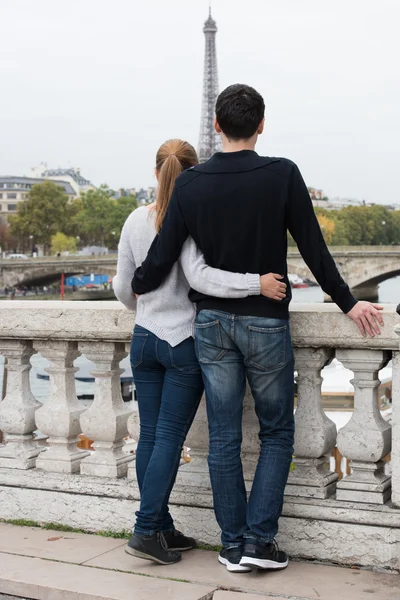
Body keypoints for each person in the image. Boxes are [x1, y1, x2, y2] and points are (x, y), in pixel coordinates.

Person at [131, 84, 384, 573]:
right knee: (276, 432)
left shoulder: (190, 184)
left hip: (210, 326)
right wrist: (349, 302)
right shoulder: (282, 174)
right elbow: (313, 247)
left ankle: (231, 545)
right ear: (262, 125)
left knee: (224, 439)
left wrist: (139, 284)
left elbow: (163, 257)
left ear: (218, 127)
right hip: (266, 323)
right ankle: (259, 542)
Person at [113, 138, 284, 567]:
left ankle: (162, 525)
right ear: (194, 175)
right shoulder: (190, 217)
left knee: (149, 436)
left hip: (144, 336)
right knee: (168, 438)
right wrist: (255, 284)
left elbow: (123, 286)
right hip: (182, 341)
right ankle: (146, 528)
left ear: (156, 172)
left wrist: (147, 306)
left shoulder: (136, 219)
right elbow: (201, 278)